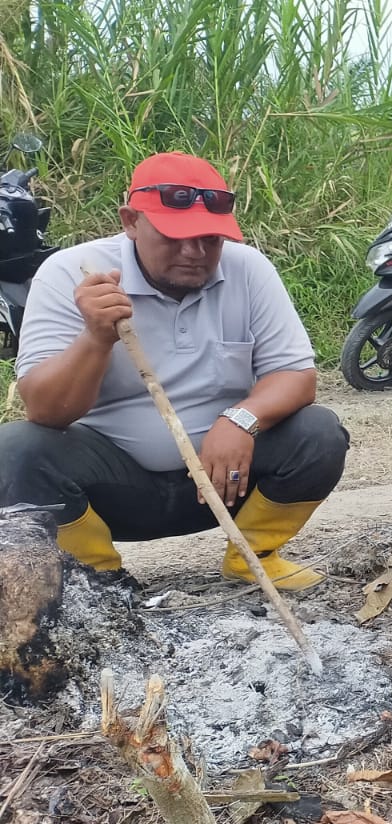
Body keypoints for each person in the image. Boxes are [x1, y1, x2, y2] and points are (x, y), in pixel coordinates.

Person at [0, 152, 348, 589]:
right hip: (109, 491)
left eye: (209, 240)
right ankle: (96, 581)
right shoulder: (69, 273)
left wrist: (240, 419)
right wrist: (95, 338)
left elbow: (296, 376)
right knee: (16, 449)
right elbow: (45, 411)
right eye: (174, 237)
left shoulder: (248, 270)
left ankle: (252, 557)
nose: (194, 253)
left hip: (221, 485)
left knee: (318, 433)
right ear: (130, 221)